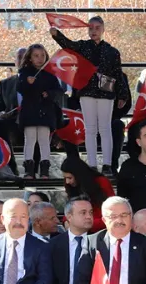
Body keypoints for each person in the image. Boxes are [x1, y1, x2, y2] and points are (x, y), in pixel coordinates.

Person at [51, 16, 128, 173]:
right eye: (91, 28)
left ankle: (107, 165)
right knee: (90, 129)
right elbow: (68, 45)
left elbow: (118, 74)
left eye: (97, 27)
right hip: (86, 91)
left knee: (105, 128)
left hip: (106, 93)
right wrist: (56, 35)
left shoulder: (112, 51)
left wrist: (122, 94)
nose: (94, 31)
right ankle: (92, 165)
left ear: (103, 29)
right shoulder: (83, 46)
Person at [16, 43, 63, 179]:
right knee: (30, 139)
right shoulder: (24, 72)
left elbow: (58, 91)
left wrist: (49, 94)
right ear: (29, 58)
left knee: (44, 140)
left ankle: (44, 170)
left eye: (42, 55)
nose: (40, 58)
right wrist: (26, 83)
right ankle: (29, 170)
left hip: (46, 112)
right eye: (36, 56)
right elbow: (19, 88)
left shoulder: (50, 73)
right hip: (30, 113)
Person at [51, 196, 95, 284]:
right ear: (69, 217)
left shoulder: (100, 242)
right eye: (83, 213)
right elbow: (49, 280)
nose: (88, 216)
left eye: (91, 213)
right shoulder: (53, 245)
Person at [61, 155, 115, 233]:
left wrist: (87, 225)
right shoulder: (70, 186)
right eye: (65, 178)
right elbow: (70, 207)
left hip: (101, 230)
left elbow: (112, 212)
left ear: (79, 175)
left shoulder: (101, 182)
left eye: (70, 178)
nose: (67, 182)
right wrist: (66, 221)